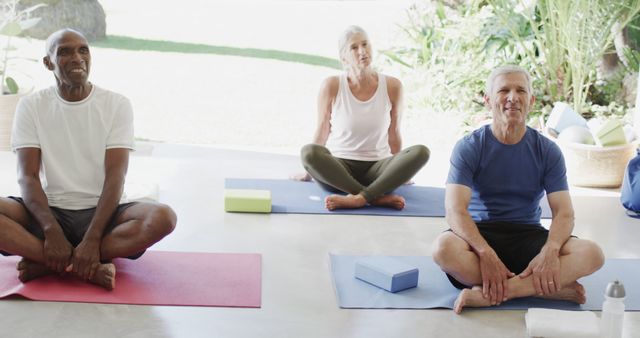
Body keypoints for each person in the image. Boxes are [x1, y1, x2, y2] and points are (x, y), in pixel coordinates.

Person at [0, 29, 176, 290]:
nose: (77, 58)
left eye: (83, 50)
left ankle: (51, 263)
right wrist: (51, 230)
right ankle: (83, 266)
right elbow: (27, 176)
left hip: (103, 212)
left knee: (163, 217)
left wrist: (93, 238)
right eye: (65, 52)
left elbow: (116, 177)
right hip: (48, 210)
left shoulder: (116, 104)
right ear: (48, 63)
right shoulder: (32, 106)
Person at [431, 65, 604, 314]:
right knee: (443, 249)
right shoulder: (469, 147)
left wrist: (550, 251)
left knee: (592, 253)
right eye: (504, 90)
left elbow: (564, 213)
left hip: (528, 236)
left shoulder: (547, 151)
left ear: (531, 100)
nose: (513, 97)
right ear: (489, 100)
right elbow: (455, 210)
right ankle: (548, 290)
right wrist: (485, 253)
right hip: (480, 235)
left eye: (520, 90)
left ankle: (498, 293)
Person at [292, 25, 429, 211]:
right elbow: (323, 128)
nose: (362, 51)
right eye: (354, 47)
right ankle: (374, 198)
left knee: (421, 152)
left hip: (378, 171)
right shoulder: (331, 85)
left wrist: (400, 169)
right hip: (339, 172)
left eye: (365, 44)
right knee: (308, 152)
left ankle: (358, 198)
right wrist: (309, 171)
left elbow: (394, 131)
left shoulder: (392, 86)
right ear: (343, 58)